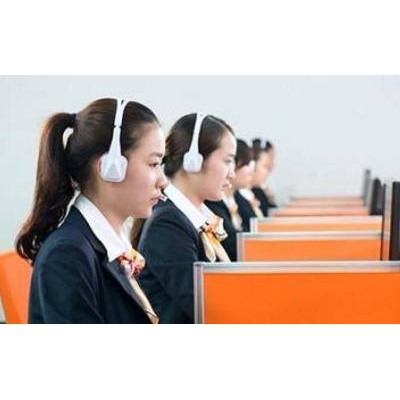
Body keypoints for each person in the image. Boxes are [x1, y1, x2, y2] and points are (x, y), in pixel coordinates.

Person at [16, 98, 167, 323]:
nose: (163, 180)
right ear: (110, 168)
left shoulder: (111, 248)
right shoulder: (67, 256)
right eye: (153, 164)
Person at [134, 113, 236, 323]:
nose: (231, 173)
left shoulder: (194, 220)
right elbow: (206, 307)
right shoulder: (167, 226)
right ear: (193, 161)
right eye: (227, 161)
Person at [206, 139, 254, 259]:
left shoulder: (238, 199)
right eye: (227, 162)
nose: (231, 173)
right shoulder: (213, 203)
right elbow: (232, 245)